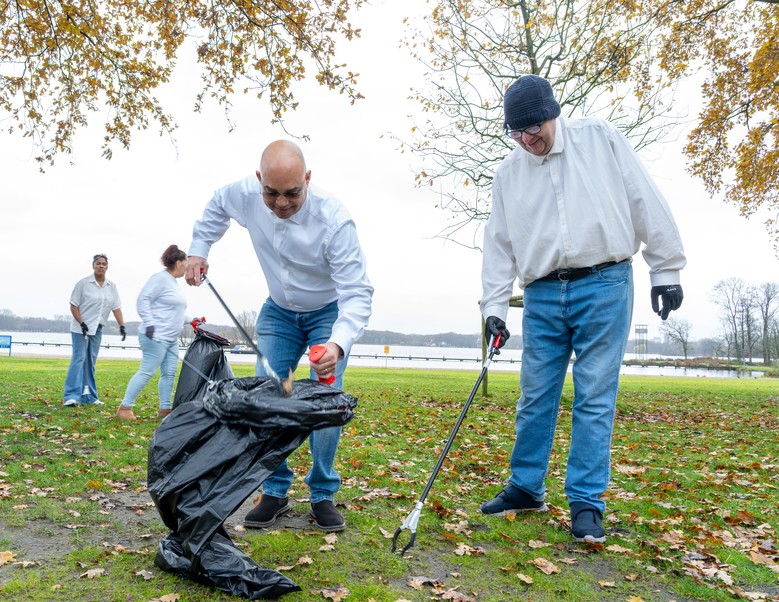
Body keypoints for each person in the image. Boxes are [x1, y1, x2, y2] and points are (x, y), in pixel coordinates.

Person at [479, 75, 686, 543]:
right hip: (542, 294)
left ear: (553, 113)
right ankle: (526, 486)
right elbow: (498, 245)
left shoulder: (601, 139)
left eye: (534, 129)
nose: (528, 141)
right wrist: (495, 307)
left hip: (606, 282)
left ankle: (586, 503)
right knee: (535, 397)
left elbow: (643, 198)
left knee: (593, 397)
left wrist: (666, 269)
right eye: (516, 133)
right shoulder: (508, 173)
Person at [185, 140, 373, 532]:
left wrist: (337, 344)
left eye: (292, 193)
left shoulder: (335, 220)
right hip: (278, 312)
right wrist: (199, 250)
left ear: (308, 179)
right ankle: (274, 488)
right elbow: (217, 205)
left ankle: (322, 492)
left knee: (325, 399)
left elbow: (356, 292)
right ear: (259, 181)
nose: (282, 203)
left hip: (328, 312)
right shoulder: (245, 195)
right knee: (269, 396)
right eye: (272, 193)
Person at [117, 245, 189, 421]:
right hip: (155, 336)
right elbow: (143, 299)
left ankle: (165, 409)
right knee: (147, 370)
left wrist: (192, 319)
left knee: (169, 373)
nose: (187, 266)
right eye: (186, 263)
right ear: (179, 262)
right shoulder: (160, 279)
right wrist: (149, 324)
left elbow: (172, 312)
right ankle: (125, 408)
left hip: (171, 338)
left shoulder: (173, 282)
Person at [63, 254, 126, 406]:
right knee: (79, 359)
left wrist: (122, 326)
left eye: (104, 264)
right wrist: (82, 322)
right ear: (93, 266)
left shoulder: (112, 286)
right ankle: (71, 396)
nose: (101, 266)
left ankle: (89, 396)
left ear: (107, 267)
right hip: (81, 328)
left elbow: (116, 307)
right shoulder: (83, 284)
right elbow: (74, 305)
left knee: (90, 361)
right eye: (98, 263)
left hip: (97, 328)